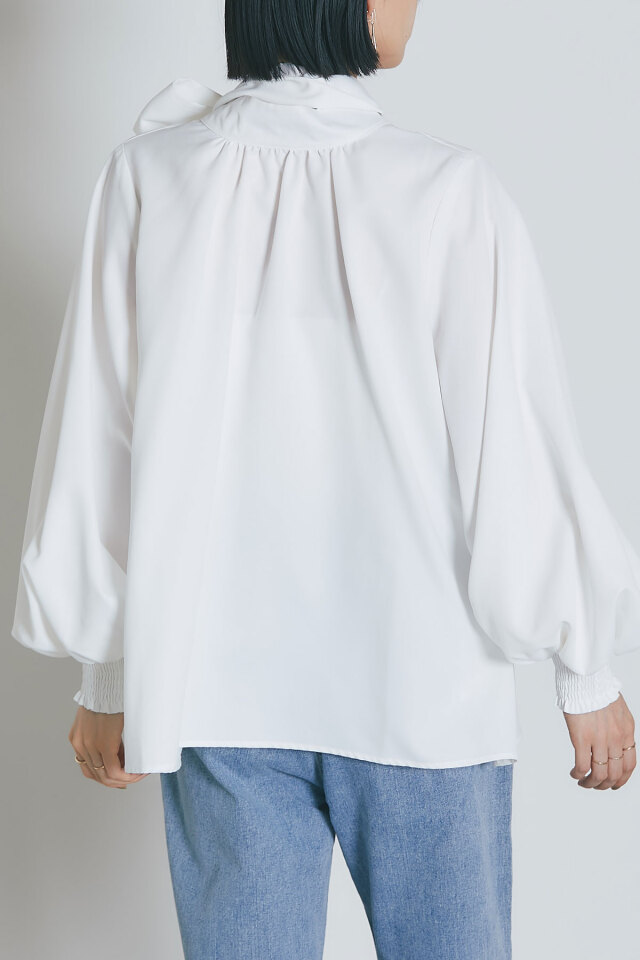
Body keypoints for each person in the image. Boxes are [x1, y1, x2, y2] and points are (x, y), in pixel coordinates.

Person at [10, 0, 639, 957]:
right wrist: (582, 664)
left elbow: (101, 436)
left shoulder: (151, 176)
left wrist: (109, 669)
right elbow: (511, 438)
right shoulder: (444, 187)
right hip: (421, 689)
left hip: (219, 694)